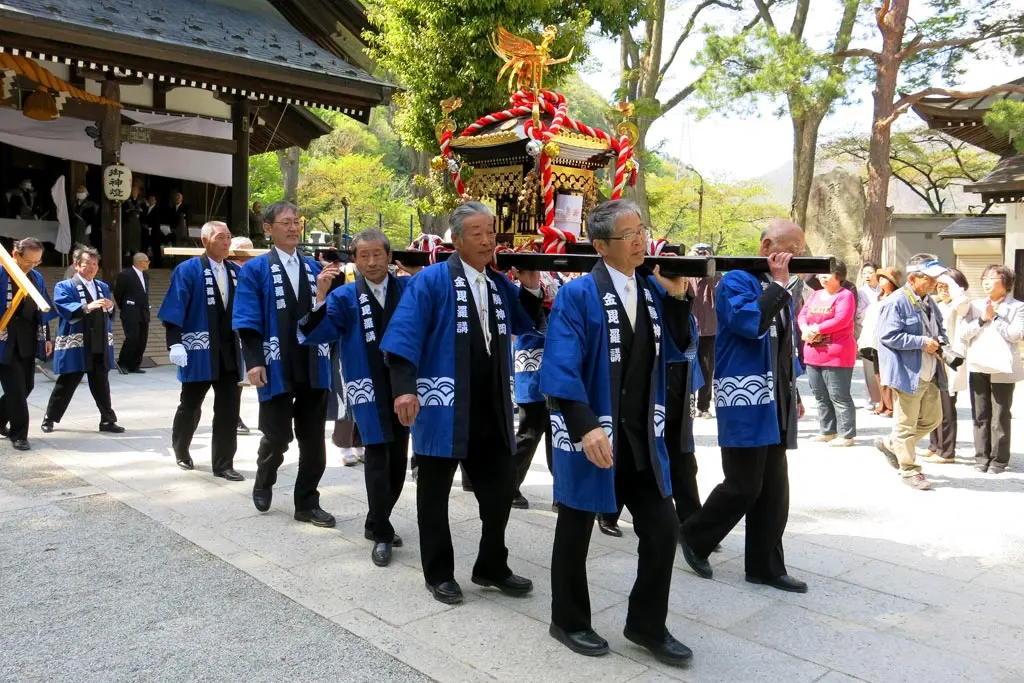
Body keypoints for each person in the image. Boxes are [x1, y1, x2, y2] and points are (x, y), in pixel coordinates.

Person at [540, 199, 692, 664]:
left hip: (639, 436)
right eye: (629, 234)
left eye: (641, 230)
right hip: (596, 435)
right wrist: (584, 426)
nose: (640, 239)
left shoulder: (648, 290)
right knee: (574, 529)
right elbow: (560, 365)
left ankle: (646, 624)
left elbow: (677, 346)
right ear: (602, 246)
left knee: (663, 531)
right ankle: (568, 620)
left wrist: (680, 298)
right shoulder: (579, 294)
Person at [380, 201, 543, 605]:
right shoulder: (431, 281)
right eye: (478, 233)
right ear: (457, 239)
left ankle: (491, 565)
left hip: (491, 407)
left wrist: (532, 285)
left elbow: (527, 323)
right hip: (443, 406)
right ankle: (439, 573)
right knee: (434, 492)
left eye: (491, 231)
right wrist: (404, 388)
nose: (488, 239)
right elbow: (404, 338)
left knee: (500, 490)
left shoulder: (498, 283)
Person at [680, 219, 808, 594]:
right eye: (792, 248)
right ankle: (693, 535)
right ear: (768, 245)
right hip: (746, 398)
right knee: (743, 484)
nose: (798, 256)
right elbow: (748, 322)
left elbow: (787, 343)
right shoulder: (736, 281)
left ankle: (765, 566)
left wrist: (794, 392)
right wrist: (782, 286)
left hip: (776, 399)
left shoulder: (780, 286)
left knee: (774, 488)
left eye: (800, 250)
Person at [300, 229, 413, 567]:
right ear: (355, 259)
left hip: (404, 387)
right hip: (368, 387)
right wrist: (321, 296)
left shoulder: (407, 289)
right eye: (363, 255)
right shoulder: (345, 297)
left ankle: (376, 519)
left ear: (390, 256)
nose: (372, 262)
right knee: (377, 458)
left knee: (397, 460)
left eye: (378, 254)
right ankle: (380, 532)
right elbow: (317, 332)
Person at [233, 201, 338, 526]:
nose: (294, 228)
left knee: (313, 441)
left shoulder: (313, 268)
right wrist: (254, 362)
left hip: (311, 362)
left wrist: (323, 295)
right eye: (286, 222)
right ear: (268, 228)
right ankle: (264, 479)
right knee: (277, 436)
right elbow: (247, 320)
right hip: (276, 363)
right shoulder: (255, 269)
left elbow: (328, 318)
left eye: (297, 222)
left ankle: (306, 503)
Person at [159, 221, 245, 481]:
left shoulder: (235, 272)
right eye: (220, 237)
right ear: (204, 241)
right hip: (200, 351)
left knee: (229, 410)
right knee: (191, 404)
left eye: (229, 237)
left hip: (229, 351)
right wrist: (175, 342)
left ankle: (223, 463)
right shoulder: (188, 270)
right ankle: (181, 448)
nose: (226, 242)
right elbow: (175, 307)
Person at [874, 254, 947, 491]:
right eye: (931, 277)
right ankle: (909, 469)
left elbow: (939, 327)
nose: (936, 281)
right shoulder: (895, 302)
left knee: (933, 419)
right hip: (907, 372)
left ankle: (890, 443)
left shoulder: (929, 300)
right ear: (914, 278)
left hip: (930, 371)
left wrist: (941, 341)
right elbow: (887, 336)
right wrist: (921, 342)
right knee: (905, 425)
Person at [42, 246, 123, 434]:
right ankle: (50, 418)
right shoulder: (65, 286)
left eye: (95, 264)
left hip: (99, 342)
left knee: (101, 383)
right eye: (87, 264)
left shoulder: (102, 287)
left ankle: (107, 420)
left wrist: (110, 307)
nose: (92, 268)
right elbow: (63, 306)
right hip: (77, 342)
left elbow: (110, 314)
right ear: (76, 265)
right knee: (67, 381)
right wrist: (87, 307)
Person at [958, 265, 1024, 474]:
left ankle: (999, 459)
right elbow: (963, 334)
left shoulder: (1017, 307)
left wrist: (995, 316)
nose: (986, 282)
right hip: (978, 364)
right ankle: (981, 457)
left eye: (992, 278)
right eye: (984, 278)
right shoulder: (975, 305)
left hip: (1003, 367)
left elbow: (1016, 335)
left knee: (1001, 414)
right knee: (980, 412)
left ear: (1005, 282)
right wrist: (982, 318)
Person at [511, 268, 562, 510]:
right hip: (532, 373)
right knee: (529, 433)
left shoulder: (558, 281)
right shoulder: (525, 291)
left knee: (559, 435)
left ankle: (561, 492)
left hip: (557, 374)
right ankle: (509, 485)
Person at [0, 238, 54, 450]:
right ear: (15, 255)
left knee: (27, 385)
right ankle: (19, 434)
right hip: (5, 340)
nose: (31, 266)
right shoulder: (2, 273)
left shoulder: (36, 278)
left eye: (37, 262)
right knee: (16, 389)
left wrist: (46, 336)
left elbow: (42, 311)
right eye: (28, 261)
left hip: (28, 339)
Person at [798, 258, 858, 447]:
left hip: (836, 353)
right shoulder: (815, 294)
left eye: (826, 273)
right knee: (820, 395)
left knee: (839, 396)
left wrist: (815, 329)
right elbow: (802, 314)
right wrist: (804, 328)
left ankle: (846, 434)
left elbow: (841, 319)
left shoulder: (845, 295)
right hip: (813, 352)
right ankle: (828, 430)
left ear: (838, 276)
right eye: (820, 273)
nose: (821, 277)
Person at [926, 268, 970, 464]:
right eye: (940, 286)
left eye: (947, 286)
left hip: (950, 363)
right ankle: (934, 445)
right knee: (933, 405)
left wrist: (952, 285)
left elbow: (961, 304)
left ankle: (947, 451)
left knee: (946, 407)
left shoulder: (960, 305)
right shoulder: (936, 303)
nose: (943, 290)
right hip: (934, 360)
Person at [858, 268, 901, 417]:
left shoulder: (897, 298)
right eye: (880, 278)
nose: (881, 280)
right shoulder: (878, 297)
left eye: (884, 278)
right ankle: (883, 403)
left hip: (888, 340)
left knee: (888, 373)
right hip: (874, 340)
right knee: (878, 373)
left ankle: (891, 406)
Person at [687, 243, 720, 419]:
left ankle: (704, 406)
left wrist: (710, 268)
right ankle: (688, 404)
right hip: (689, 331)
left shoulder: (716, 276)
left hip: (709, 331)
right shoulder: (686, 274)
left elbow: (718, 291)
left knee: (707, 370)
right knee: (688, 369)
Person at [228, 236, 256, 436]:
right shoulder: (222, 271)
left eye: (246, 256)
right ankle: (231, 417)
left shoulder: (255, 272)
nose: (241, 260)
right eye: (238, 254)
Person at [113, 253, 151, 374]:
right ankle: (123, 363)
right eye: (147, 261)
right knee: (132, 338)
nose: (148, 263)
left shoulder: (145, 276)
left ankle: (134, 364)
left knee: (142, 340)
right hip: (130, 311)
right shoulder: (126, 275)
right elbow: (118, 293)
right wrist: (124, 306)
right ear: (140, 262)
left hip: (143, 311)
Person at [857, 262, 882, 409]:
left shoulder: (883, 290)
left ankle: (884, 399)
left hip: (882, 332)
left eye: (870, 272)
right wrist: (874, 312)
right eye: (865, 273)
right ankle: (872, 398)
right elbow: (859, 314)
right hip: (867, 331)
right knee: (869, 367)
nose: (867, 275)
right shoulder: (861, 293)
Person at [121, 186, 147, 263]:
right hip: (128, 221)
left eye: (136, 190)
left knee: (136, 236)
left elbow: (145, 212)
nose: (134, 192)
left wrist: (140, 213)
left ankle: (136, 250)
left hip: (137, 222)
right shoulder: (126, 200)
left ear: (138, 192)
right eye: (133, 190)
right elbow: (123, 211)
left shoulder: (142, 201)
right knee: (128, 236)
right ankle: (127, 250)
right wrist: (128, 212)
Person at [143, 195, 164, 268]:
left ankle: (158, 265)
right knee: (144, 248)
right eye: (150, 199)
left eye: (152, 199)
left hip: (154, 232)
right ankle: (143, 264)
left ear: (155, 201)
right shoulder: (146, 208)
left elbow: (157, 220)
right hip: (146, 232)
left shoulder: (157, 209)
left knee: (156, 249)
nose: (151, 201)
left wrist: (149, 226)